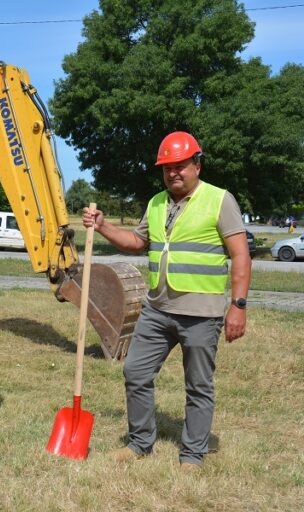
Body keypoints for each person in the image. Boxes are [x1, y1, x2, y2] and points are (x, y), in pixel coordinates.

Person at [82, 131, 251, 470]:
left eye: (180, 166)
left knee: (198, 385)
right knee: (135, 372)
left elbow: (241, 256)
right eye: (166, 168)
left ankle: (192, 454)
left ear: (197, 165)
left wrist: (238, 306)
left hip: (201, 314)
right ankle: (140, 443)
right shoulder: (157, 202)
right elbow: (136, 241)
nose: (173, 173)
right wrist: (104, 227)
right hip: (157, 309)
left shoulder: (219, 200)